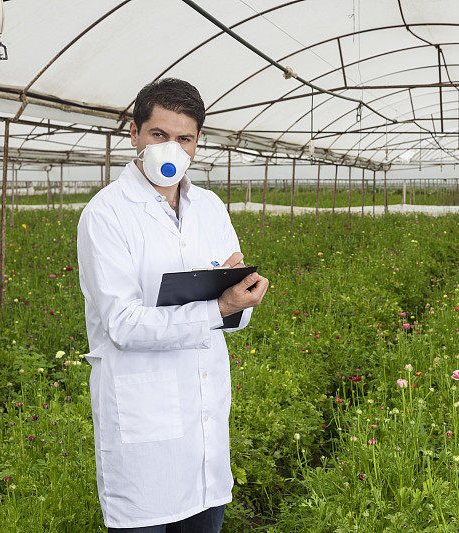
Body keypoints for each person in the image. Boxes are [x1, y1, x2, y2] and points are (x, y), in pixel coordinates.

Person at [76, 78, 269, 532]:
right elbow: (123, 324)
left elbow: (233, 315)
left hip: (204, 421)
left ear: (198, 143)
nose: (172, 148)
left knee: (206, 517)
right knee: (147, 517)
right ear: (134, 135)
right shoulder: (107, 214)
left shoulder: (210, 208)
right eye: (159, 135)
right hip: (143, 422)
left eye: (185, 138)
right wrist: (218, 308)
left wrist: (241, 299)